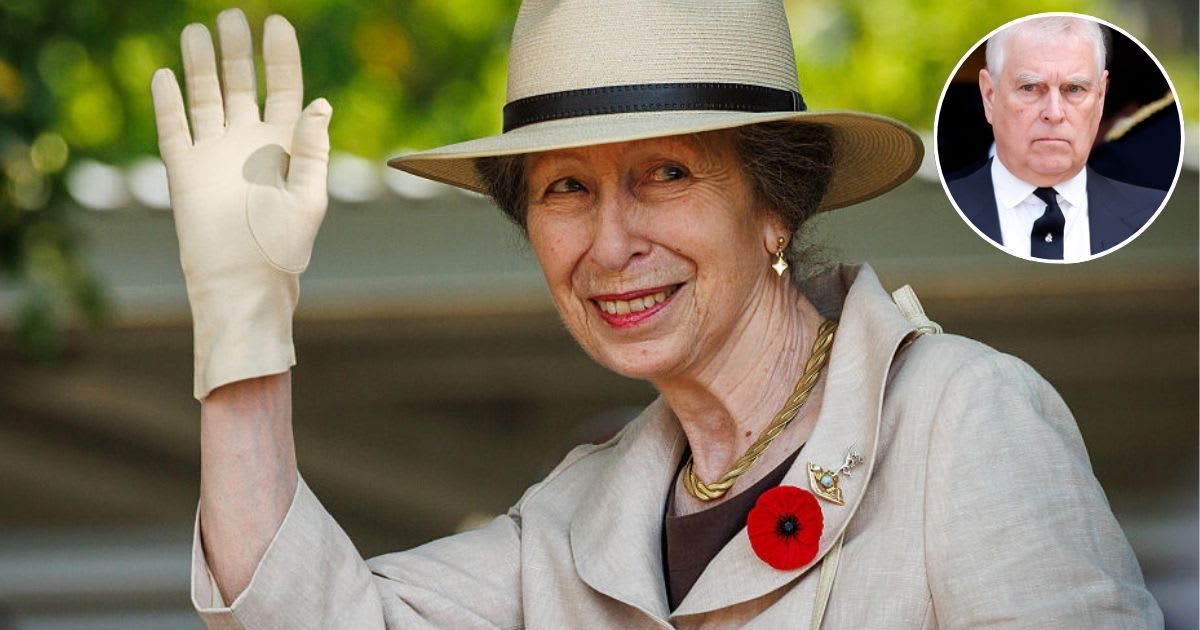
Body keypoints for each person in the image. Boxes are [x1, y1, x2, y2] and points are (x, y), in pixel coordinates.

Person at [151, 1, 1162, 627]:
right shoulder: (574, 522)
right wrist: (243, 319)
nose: (611, 241)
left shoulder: (964, 420)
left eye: (666, 174)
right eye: (564, 191)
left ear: (777, 201)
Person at [946, 15, 1166, 262]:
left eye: (1074, 89)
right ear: (989, 95)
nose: (1054, 113)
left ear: (1101, 96)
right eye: (1029, 87)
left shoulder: (1156, 215)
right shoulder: (939, 210)